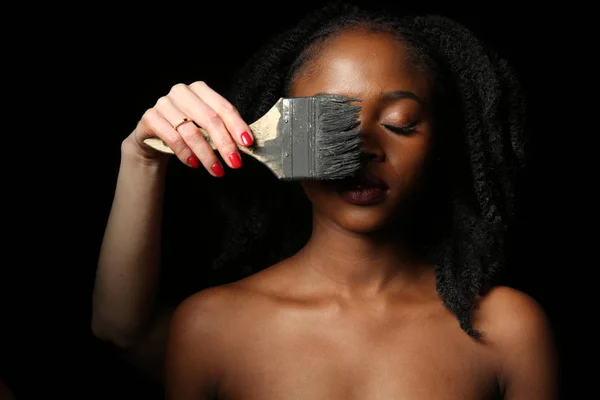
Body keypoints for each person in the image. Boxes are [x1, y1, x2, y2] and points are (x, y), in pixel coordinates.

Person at [92, 2, 558, 398]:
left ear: (441, 144)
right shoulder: (210, 327)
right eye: (330, 121)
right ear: (290, 135)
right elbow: (119, 330)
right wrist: (141, 159)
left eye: (400, 122)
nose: (365, 148)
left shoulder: (510, 330)